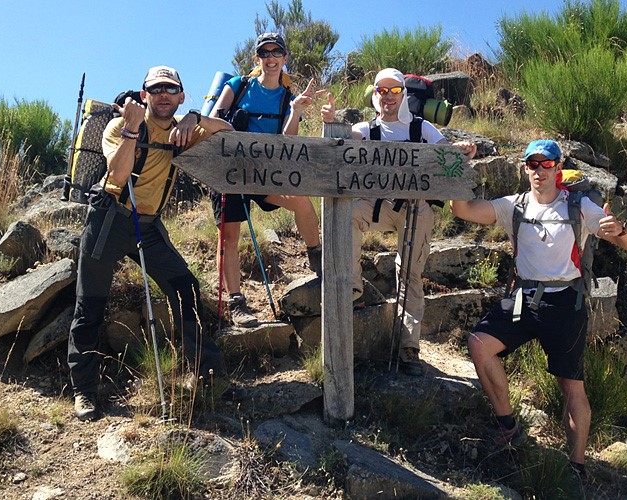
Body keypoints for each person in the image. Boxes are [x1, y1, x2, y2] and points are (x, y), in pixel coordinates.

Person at [450, 139, 627, 477]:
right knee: (479, 344)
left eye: (547, 164)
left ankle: (576, 465)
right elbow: (462, 209)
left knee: (571, 387)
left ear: (558, 167)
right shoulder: (515, 205)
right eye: (532, 164)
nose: (539, 170)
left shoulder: (579, 206)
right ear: (525, 168)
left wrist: (621, 231)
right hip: (523, 298)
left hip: (566, 303)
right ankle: (509, 427)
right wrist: (457, 165)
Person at [68, 66, 234, 421]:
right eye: (155, 89)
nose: (162, 95)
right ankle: (84, 390)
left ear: (180, 96)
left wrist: (195, 118)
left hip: (149, 225)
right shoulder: (120, 125)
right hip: (110, 217)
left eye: (170, 89)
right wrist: (130, 129)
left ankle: (209, 374)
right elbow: (119, 173)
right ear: (144, 95)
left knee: (186, 288)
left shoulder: (185, 129)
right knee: (90, 304)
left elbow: (230, 132)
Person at [320, 68, 476, 376]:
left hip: (414, 209)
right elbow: (335, 148)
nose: (388, 97)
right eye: (382, 91)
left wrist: (463, 150)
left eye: (394, 91)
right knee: (348, 215)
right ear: (374, 95)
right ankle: (351, 287)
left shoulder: (423, 128)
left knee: (410, 273)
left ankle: (409, 346)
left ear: (403, 94)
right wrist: (329, 124)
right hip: (376, 205)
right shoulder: (364, 128)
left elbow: (446, 153)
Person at [179, 32, 321, 328]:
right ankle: (236, 301)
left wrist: (295, 111)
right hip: (229, 171)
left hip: (264, 175)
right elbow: (216, 123)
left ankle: (316, 256)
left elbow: (287, 143)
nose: (270, 58)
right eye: (264, 53)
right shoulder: (238, 86)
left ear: (284, 58)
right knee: (230, 237)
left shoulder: (287, 98)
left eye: (276, 52)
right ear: (257, 59)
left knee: (302, 202)